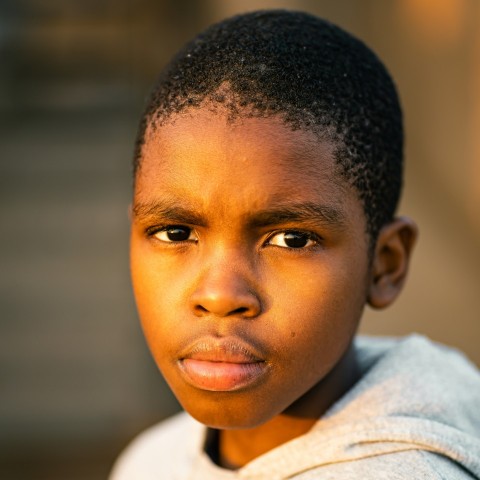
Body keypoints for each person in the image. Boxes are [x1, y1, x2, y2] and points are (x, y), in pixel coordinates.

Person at [110, 10, 480, 479]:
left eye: (291, 239)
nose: (220, 295)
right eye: (175, 233)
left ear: (385, 265)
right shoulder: (152, 460)